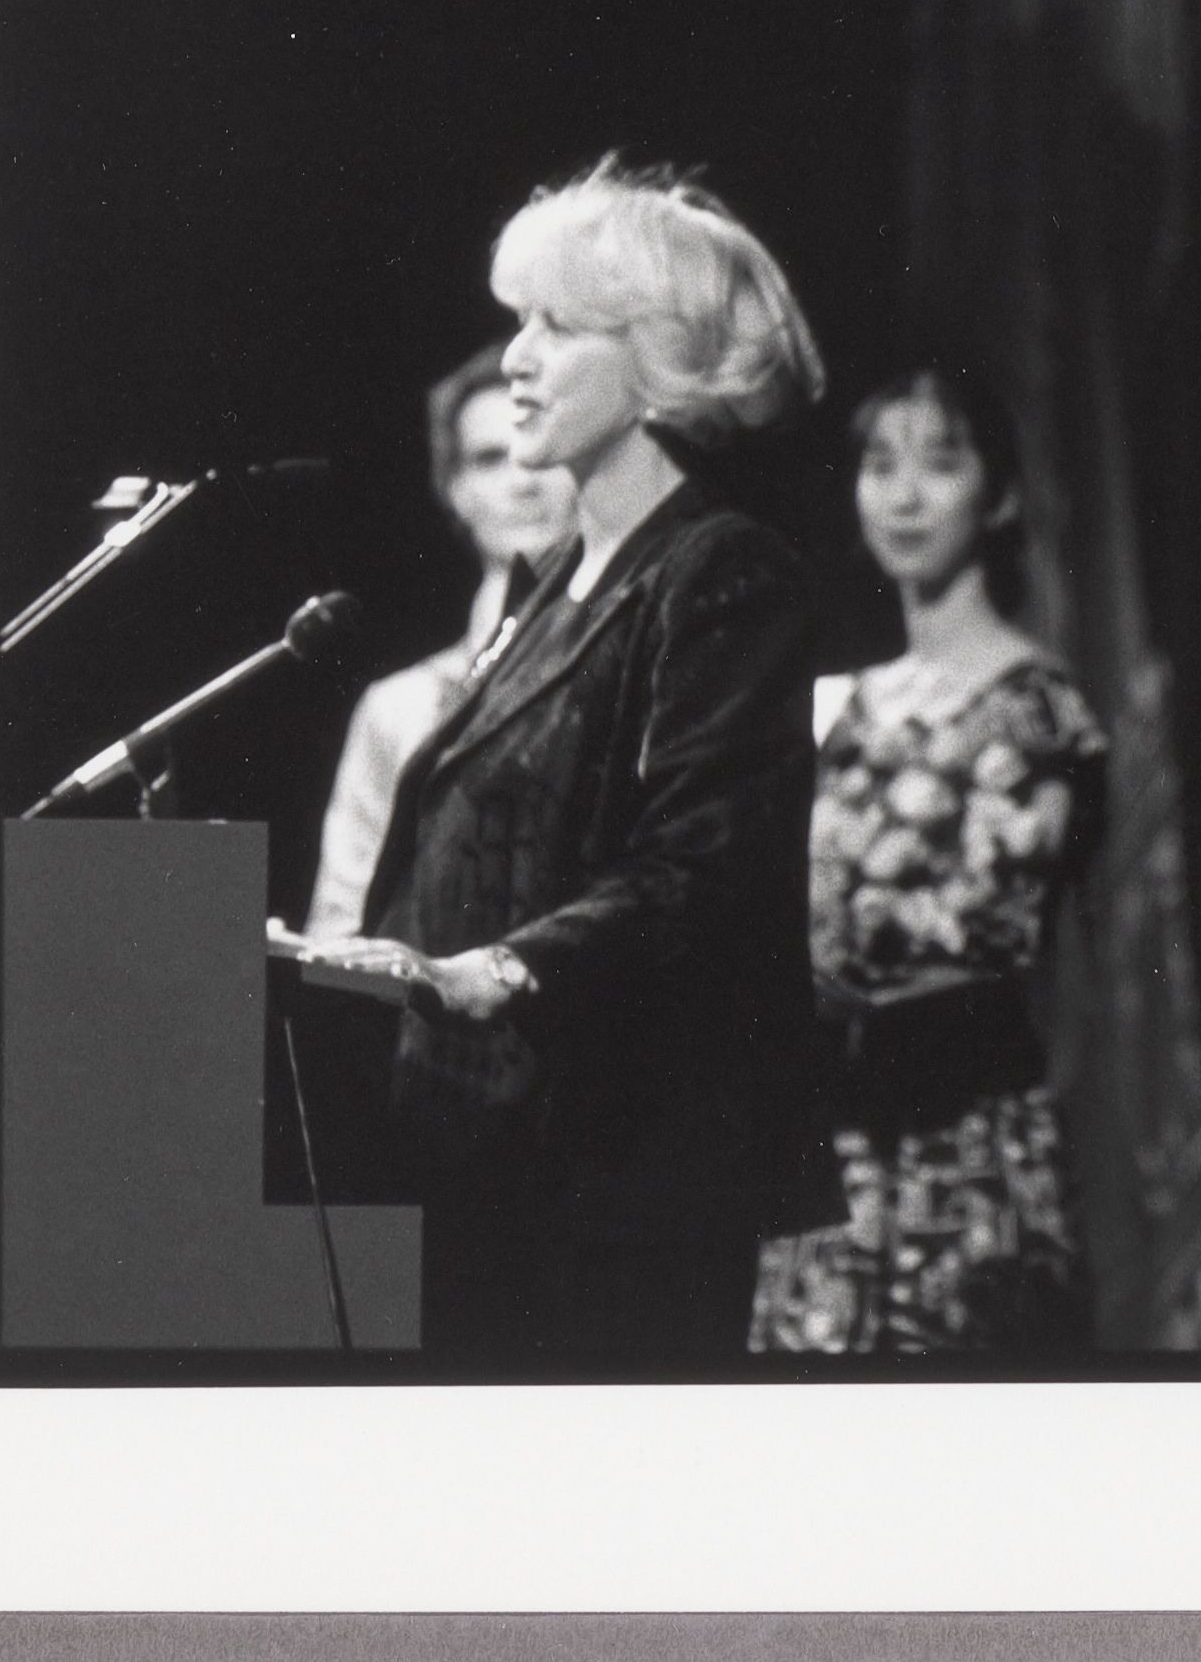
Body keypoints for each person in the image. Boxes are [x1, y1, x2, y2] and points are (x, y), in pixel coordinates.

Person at [311, 155, 836, 1375]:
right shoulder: (553, 589)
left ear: (654, 359)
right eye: (517, 324)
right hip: (484, 1155)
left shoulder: (718, 570)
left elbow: (705, 863)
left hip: (620, 1172)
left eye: (558, 325)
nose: (517, 358)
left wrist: (501, 968)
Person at [749, 367, 1106, 1353]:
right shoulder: (843, 704)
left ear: (997, 496)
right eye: (879, 464)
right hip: (835, 1147)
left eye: (939, 464)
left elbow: (987, 927)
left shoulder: (1036, 706)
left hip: (965, 1142)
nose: (903, 496)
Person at [296, 341, 575, 945]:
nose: (522, 481)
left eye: (538, 452)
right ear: (455, 490)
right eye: (491, 458)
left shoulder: (649, 654)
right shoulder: (397, 708)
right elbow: (341, 924)